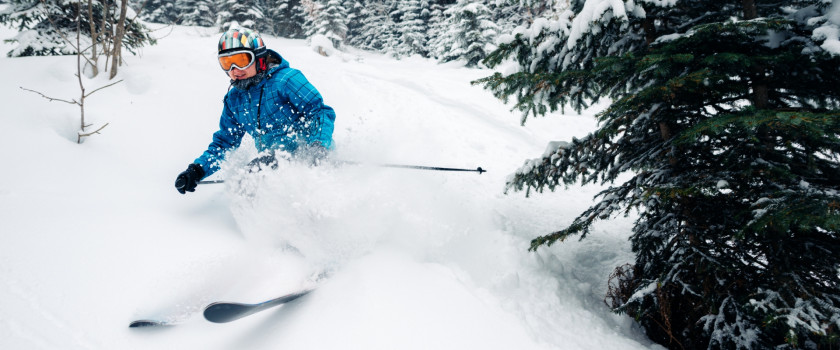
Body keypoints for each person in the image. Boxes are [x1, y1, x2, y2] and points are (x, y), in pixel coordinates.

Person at [175, 27, 336, 194]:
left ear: (259, 57)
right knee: (248, 180)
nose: (234, 69)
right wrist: (197, 170)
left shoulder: (285, 80)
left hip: (311, 154)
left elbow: (319, 112)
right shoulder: (234, 100)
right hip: (273, 161)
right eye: (227, 63)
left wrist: (318, 146)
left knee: (256, 171)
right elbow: (225, 143)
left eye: (241, 60)